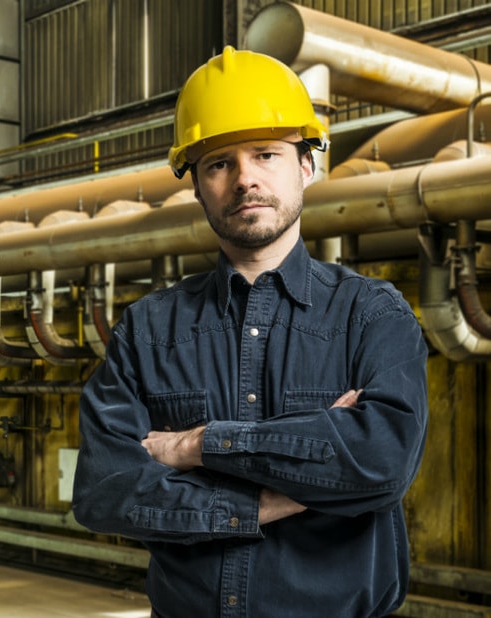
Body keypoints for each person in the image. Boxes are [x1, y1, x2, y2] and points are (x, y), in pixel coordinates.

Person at [72, 46, 429, 618]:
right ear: (195, 185)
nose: (245, 179)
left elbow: (380, 464)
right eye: (218, 163)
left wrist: (195, 447)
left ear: (306, 166)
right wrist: (274, 496)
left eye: (266, 154)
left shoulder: (372, 314)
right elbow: (101, 489)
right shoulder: (148, 329)